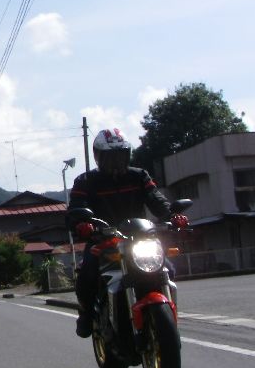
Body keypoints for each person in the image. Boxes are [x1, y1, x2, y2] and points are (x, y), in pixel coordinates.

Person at [66, 127, 188, 338]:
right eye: (110, 157)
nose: (116, 162)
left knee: (168, 267)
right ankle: (86, 314)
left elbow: (156, 199)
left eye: (120, 156)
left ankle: (166, 318)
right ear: (99, 157)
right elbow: (76, 207)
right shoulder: (85, 181)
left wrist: (172, 215)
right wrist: (81, 224)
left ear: (127, 155)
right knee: (87, 274)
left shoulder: (139, 176)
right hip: (102, 240)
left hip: (140, 237)